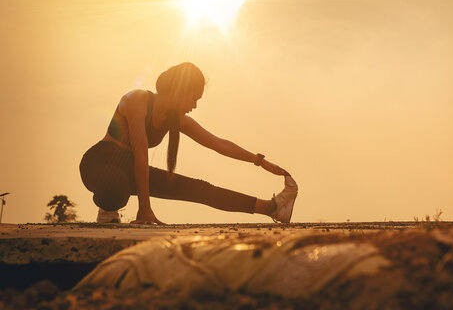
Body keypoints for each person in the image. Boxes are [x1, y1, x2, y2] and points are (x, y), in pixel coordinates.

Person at [79, 62, 297, 225]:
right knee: (116, 183)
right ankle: (108, 210)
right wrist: (144, 209)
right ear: (180, 90)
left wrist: (259, 161)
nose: (194, 105)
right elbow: (140, 154)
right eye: (193, 98)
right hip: (99, 164)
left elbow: (219, 144)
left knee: (198, 189)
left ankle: (272, 208)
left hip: (131, 171)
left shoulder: (179, 121)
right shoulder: (137, 100)